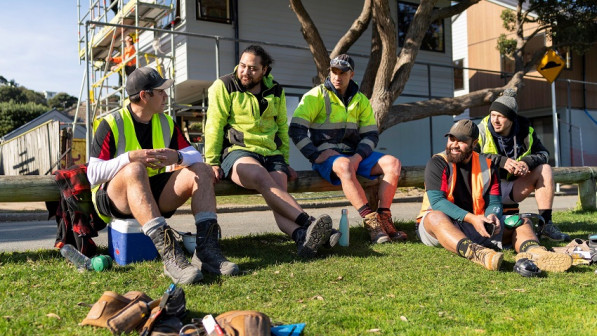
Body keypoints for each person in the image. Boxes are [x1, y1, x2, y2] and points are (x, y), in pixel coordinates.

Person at [87, 67, 238, 285]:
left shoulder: (165, 121)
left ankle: (207, 251)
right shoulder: (111, 123)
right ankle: (171, 258)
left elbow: (194, 155)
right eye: (160, 91)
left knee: (203, 169)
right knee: (135, 169)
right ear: (144, 95)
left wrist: (176, 156)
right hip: (114, 198)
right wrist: (129, 157)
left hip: (150, 193)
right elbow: (93, 174)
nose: (165, 95)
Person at [204, 45, 334, 258]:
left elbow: (282, 127)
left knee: (280, 197)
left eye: (253, 68)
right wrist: (212, 161)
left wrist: (284, 160)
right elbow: (214, 125)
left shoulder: (276, 90)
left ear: (265, 70)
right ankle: (309, 222)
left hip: (271, 154)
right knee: (263, 179)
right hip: (239, 152)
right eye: (243, 66)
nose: (245, 72)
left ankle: (302, 236)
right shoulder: (224, 85)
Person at [416, 119, 572, 272]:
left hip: (478, 224)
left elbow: (495, 201)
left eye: (461, 141)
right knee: (434, 217)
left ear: (474, 143)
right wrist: (472, 218)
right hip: (441, 227)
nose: (454, 145)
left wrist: (492, 216)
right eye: (451, 138)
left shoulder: (489, 165)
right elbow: (437, 202)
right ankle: (478, 253)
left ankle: (536, 253)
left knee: (522, 221)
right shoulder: (437, 162)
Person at [289, 54, 407, 244]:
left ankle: (384, 218)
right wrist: (315, 155)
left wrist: (358, 157)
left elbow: (371, 135)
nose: (337, 76)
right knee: (344, 165)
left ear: (351, 74)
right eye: (334, 71)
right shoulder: (315, 96)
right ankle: (371, 223)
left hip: (354, 157)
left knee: (393, 163)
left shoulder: (360, 100)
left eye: (342, 72)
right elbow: (295, 129)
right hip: (330, 160)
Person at [476, 89, 570, 241]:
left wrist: (527, 163)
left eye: (501, 116)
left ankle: (546, 224)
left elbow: (544, 154)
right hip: (485, 189)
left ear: (512, 118)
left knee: (545, 169)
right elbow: (470, 156)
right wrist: (501, 161)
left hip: (514, 187)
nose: (495, 120)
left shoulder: (527, 131)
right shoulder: (480, 130)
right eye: (493, 115)